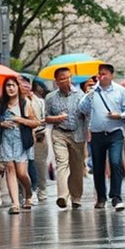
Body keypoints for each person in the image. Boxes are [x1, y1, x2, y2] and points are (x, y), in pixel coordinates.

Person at [79, 64, 125, 210]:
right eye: (99, 74)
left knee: (115, 162)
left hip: (115, 133)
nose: (101, 76)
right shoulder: (93, 92)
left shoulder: (121, 91)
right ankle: (101, 198)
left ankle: (116, 197)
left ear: (111, 75)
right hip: (97, 134)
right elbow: (82, 109)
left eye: (104, 74)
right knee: (98, 167)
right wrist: (88, 94)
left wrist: (119, 115)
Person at [43, 67, 86, 209]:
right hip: (59, 133)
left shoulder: (80, 95)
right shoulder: (50, 97)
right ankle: (62, 195)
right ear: (56, 81)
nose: (65, 81)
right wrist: (57, 118)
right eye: (62, 79)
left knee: (76, 167)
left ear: (71, 78)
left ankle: (76, 197)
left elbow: (87, 115)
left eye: (68, 78)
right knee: (62, 163)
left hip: (77, 133)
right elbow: (46, 118)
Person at [0, 76, 38, 214]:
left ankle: (28, 192)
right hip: (6, 140)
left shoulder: (24, 103)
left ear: (18, 87)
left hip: (21, 140)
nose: (10, 88)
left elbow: (36, 122)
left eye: (13, 85)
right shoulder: (1, 104)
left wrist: (20, 120)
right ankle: (15, 204)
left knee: (22, 173)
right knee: (10, 170)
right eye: (8, 85)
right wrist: (1, 124)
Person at [28, 79, 50, 203]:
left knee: (39, 163)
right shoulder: (18, 102)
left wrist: (38, 126)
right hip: (22, 136)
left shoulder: (40, 102)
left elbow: (45, 118)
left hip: (38, 135)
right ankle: (28, 190)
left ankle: (41, 188)